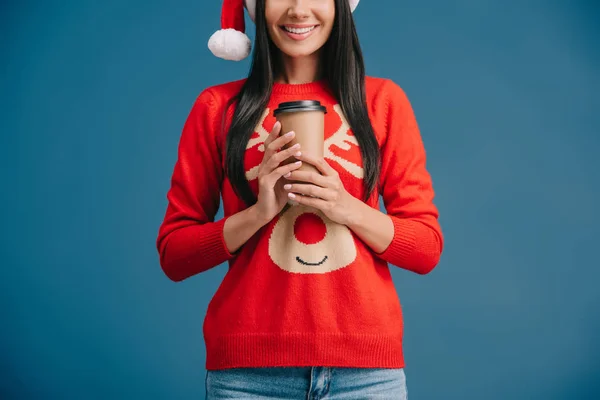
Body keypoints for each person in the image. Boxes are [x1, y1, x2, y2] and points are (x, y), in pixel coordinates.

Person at [156, 0, 444, 398]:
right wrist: (259, 213)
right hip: (247, 378)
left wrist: (346, 207)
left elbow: (426, 248)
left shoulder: (382, 102)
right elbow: (174, 254)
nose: (297, 9)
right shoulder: (216, 109)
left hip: (365, 376)